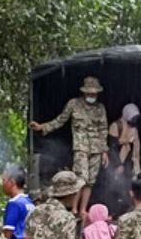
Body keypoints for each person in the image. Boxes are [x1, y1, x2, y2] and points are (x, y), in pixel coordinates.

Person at [29, 76, 108, 217]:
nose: (92, 96)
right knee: (80, 178)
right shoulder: (74, 104)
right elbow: (60, 120)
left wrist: (104, 151)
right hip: (80, 147)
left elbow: (103, 129)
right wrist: (42, 127)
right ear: (84, 92)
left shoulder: (100, 108)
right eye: (89, 93)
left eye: (94, 94)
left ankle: (83, 209)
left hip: (96, 148)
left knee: (91, 181)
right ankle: (74, 209)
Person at [109, 103, 141, 177]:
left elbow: (136, 149)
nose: (135, 120)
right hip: (116, 161)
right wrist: (118, 164)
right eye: (133, 118)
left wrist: (137, 170)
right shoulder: (116, 126)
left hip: (128, 163)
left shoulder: (134, 129)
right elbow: (112, 148)